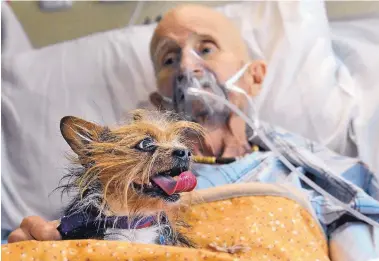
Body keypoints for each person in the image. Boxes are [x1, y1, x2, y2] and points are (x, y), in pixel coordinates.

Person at [7, 5, 379, 260]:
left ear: (255, 75)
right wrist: (36, 243)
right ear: (159, 97)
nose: (188, 65)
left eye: (206, 47)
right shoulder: (120, 179)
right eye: (170, 59)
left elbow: (357, 228)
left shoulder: (321, 175)